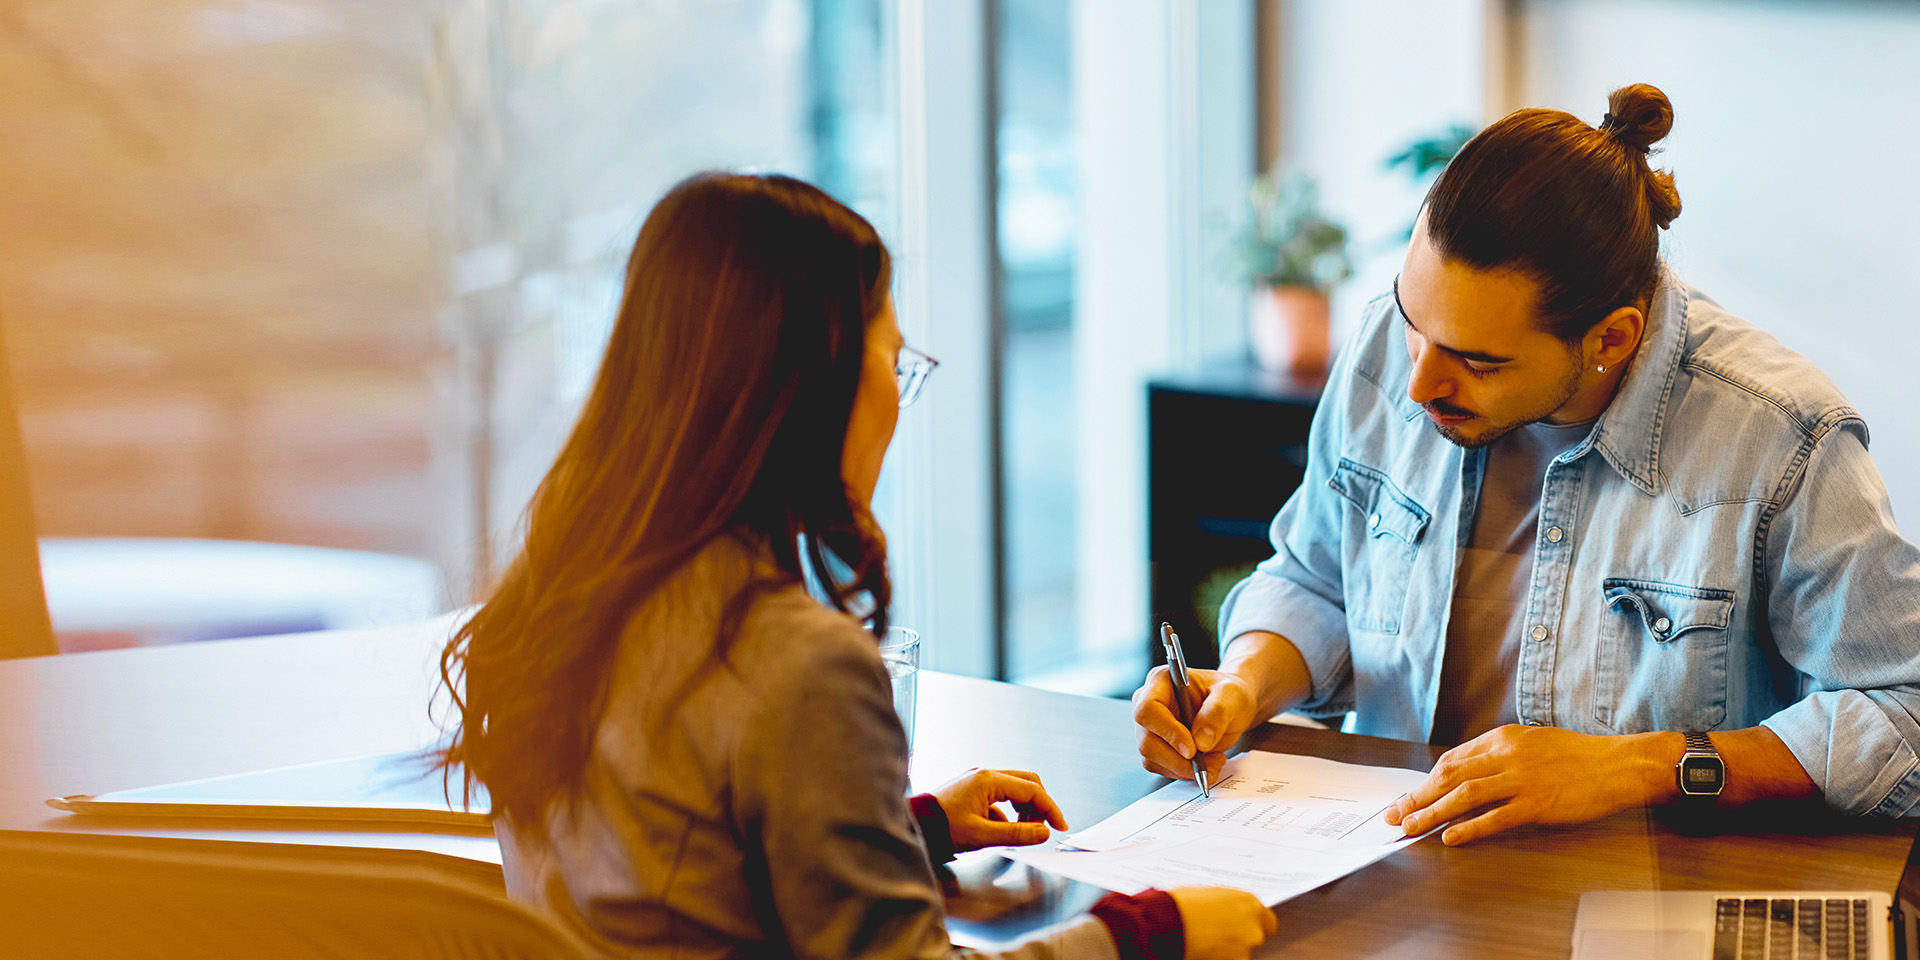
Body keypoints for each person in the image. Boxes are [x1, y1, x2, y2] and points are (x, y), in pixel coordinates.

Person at [437, 173, 1275, 960]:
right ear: (812, 379)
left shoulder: (565, 600)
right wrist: (1145, 930)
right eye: (894, 360)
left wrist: (900, 829)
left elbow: (673, 868)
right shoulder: (794, 661)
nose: (896, 406)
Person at [1134, 83, 1920, 847]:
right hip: (1388, 867)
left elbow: (1904, 712)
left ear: (1610, 339)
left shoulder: (1780, 436)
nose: (1419, 383)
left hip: (1639, 894)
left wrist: (1635, 769)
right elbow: (1314, 581)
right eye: (1414, 320)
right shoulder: (1389, 352)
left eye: (1477, 362)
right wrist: (1241, 684)